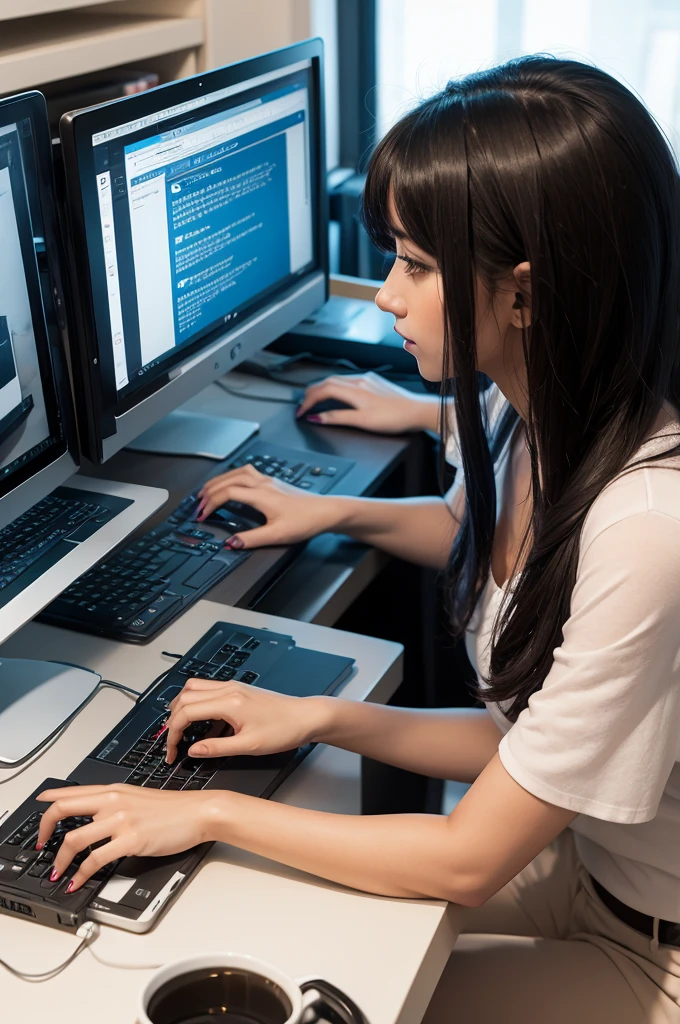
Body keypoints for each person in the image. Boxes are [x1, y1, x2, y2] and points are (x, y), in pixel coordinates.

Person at [35, 55, 680, 1022]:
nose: (386, 296)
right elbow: (524, 751)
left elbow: (468, 857)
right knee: (247, 910)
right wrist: (324, 718)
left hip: (649, 943)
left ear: (525, 296)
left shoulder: (645, 529)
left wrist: (210, 807)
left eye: (416, 266)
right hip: (579, 861)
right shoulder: (525, 414)